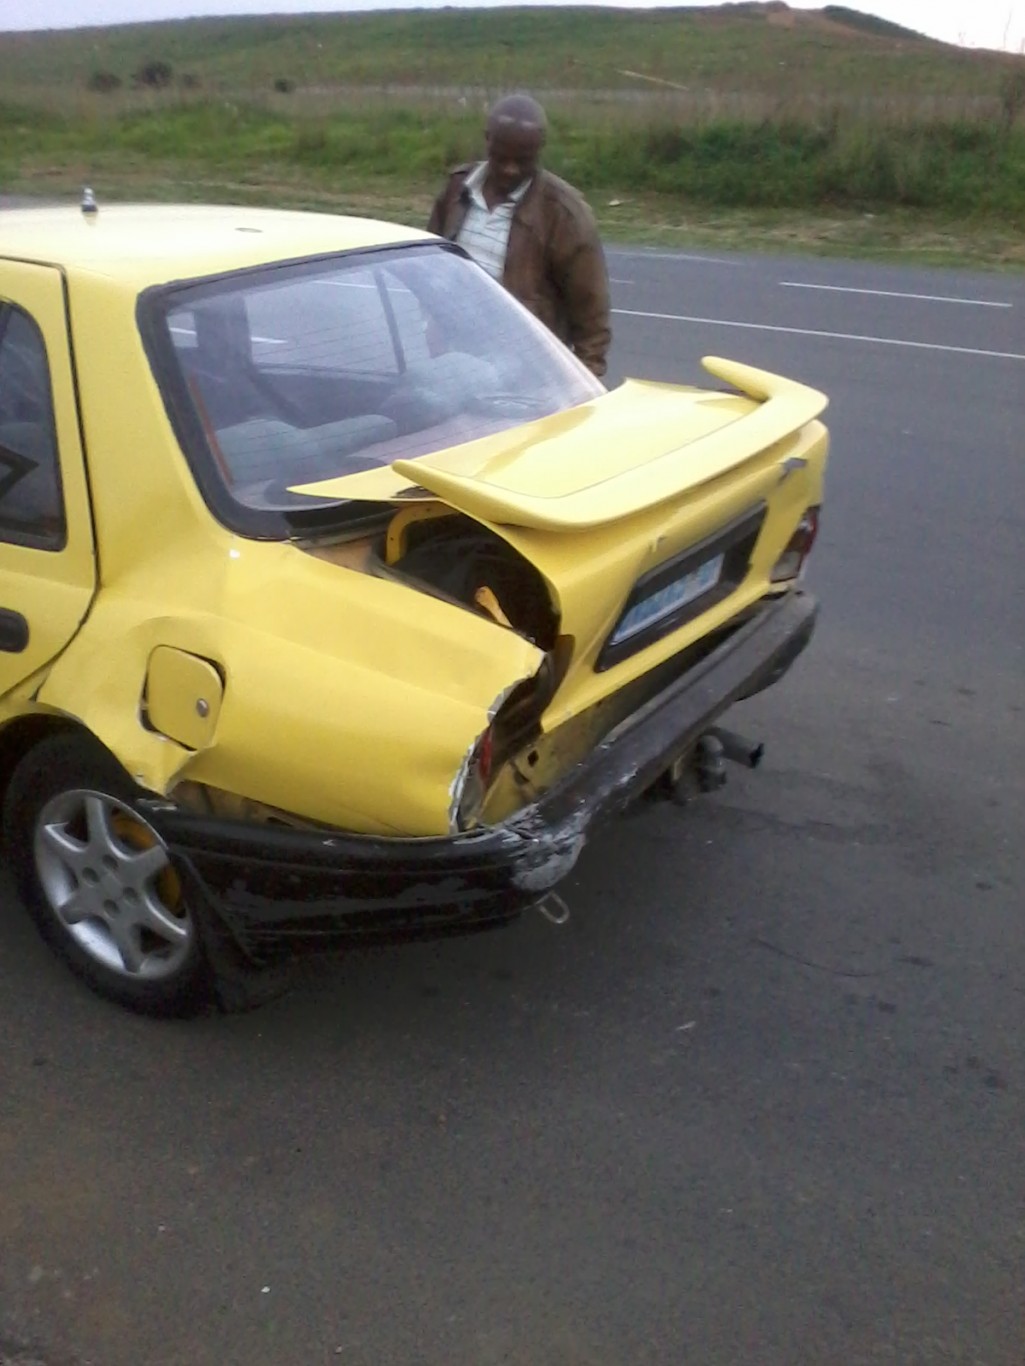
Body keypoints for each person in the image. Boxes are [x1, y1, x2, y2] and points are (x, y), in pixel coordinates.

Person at [427, 93, 611, 378]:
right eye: (501, 158)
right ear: (487, 140)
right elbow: (430, 267)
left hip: (524, 373)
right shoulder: (456, 191)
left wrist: (583, 385)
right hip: (452, 354)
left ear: (540, 150)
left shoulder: (564, 214)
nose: (510, 169)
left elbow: (591, 318)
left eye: (523, 160)